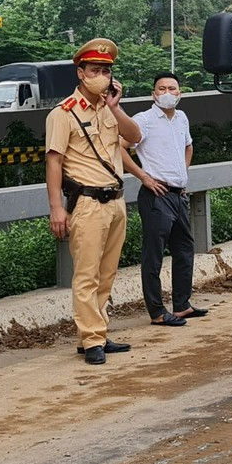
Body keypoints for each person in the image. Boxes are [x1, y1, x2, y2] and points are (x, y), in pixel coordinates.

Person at [45, 39, 145, 365]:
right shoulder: (63, 114)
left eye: (106, 70)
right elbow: (54, 162)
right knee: (86, 275)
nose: (101, 75)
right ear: (81, 72)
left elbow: (135, 137)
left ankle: (96, 332)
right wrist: (56, 208)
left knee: (107, 274)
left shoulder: (109, 109)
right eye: (95, 70)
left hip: (115, 202)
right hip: (87, 203)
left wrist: (116, 106)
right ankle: (91, 340)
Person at [126, 72, 204, 328]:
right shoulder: (144, 120)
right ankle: (157, 311)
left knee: (184, 251)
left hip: (178, 194)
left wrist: (182, 172)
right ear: (153, 93)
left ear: (180, 93)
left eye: (172, 88)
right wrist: (144, 177)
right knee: (154, 255)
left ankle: (182, 305)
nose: (167, 92)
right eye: (162, 88)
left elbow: (188, 146)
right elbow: (119, 147)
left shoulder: (181, 118)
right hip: (155, 196)